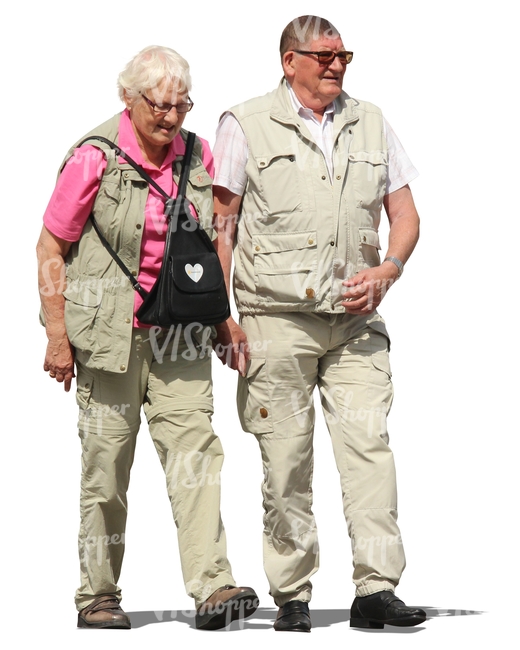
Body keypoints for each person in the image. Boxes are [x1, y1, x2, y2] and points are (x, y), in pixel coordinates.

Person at [212, 16, 426, 632]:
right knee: (286, 460)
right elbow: (220, 228)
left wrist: (388, 269)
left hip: (356, 323)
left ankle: (376, 589)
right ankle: (293, 594)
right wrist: (223, 317)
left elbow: (407, 216)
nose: (337, 66)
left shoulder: (373, 122)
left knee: (370, 452)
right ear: (289, 61)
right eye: (324, 56)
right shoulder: (243, 124)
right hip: (274, 320)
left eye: (345, 56)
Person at [36, 45, 258, 631]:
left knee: (196, 457)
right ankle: (98, 595)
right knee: (106, 468)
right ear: (127, 99)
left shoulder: (199, 154)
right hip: (107, 335)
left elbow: (207, 250)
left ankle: (214, 587)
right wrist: (57, 335)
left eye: (181, 106)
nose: (171, 118)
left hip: (180, 335)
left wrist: (222, 318)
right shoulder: (94, 158)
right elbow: (50, 250)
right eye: (159, 105)